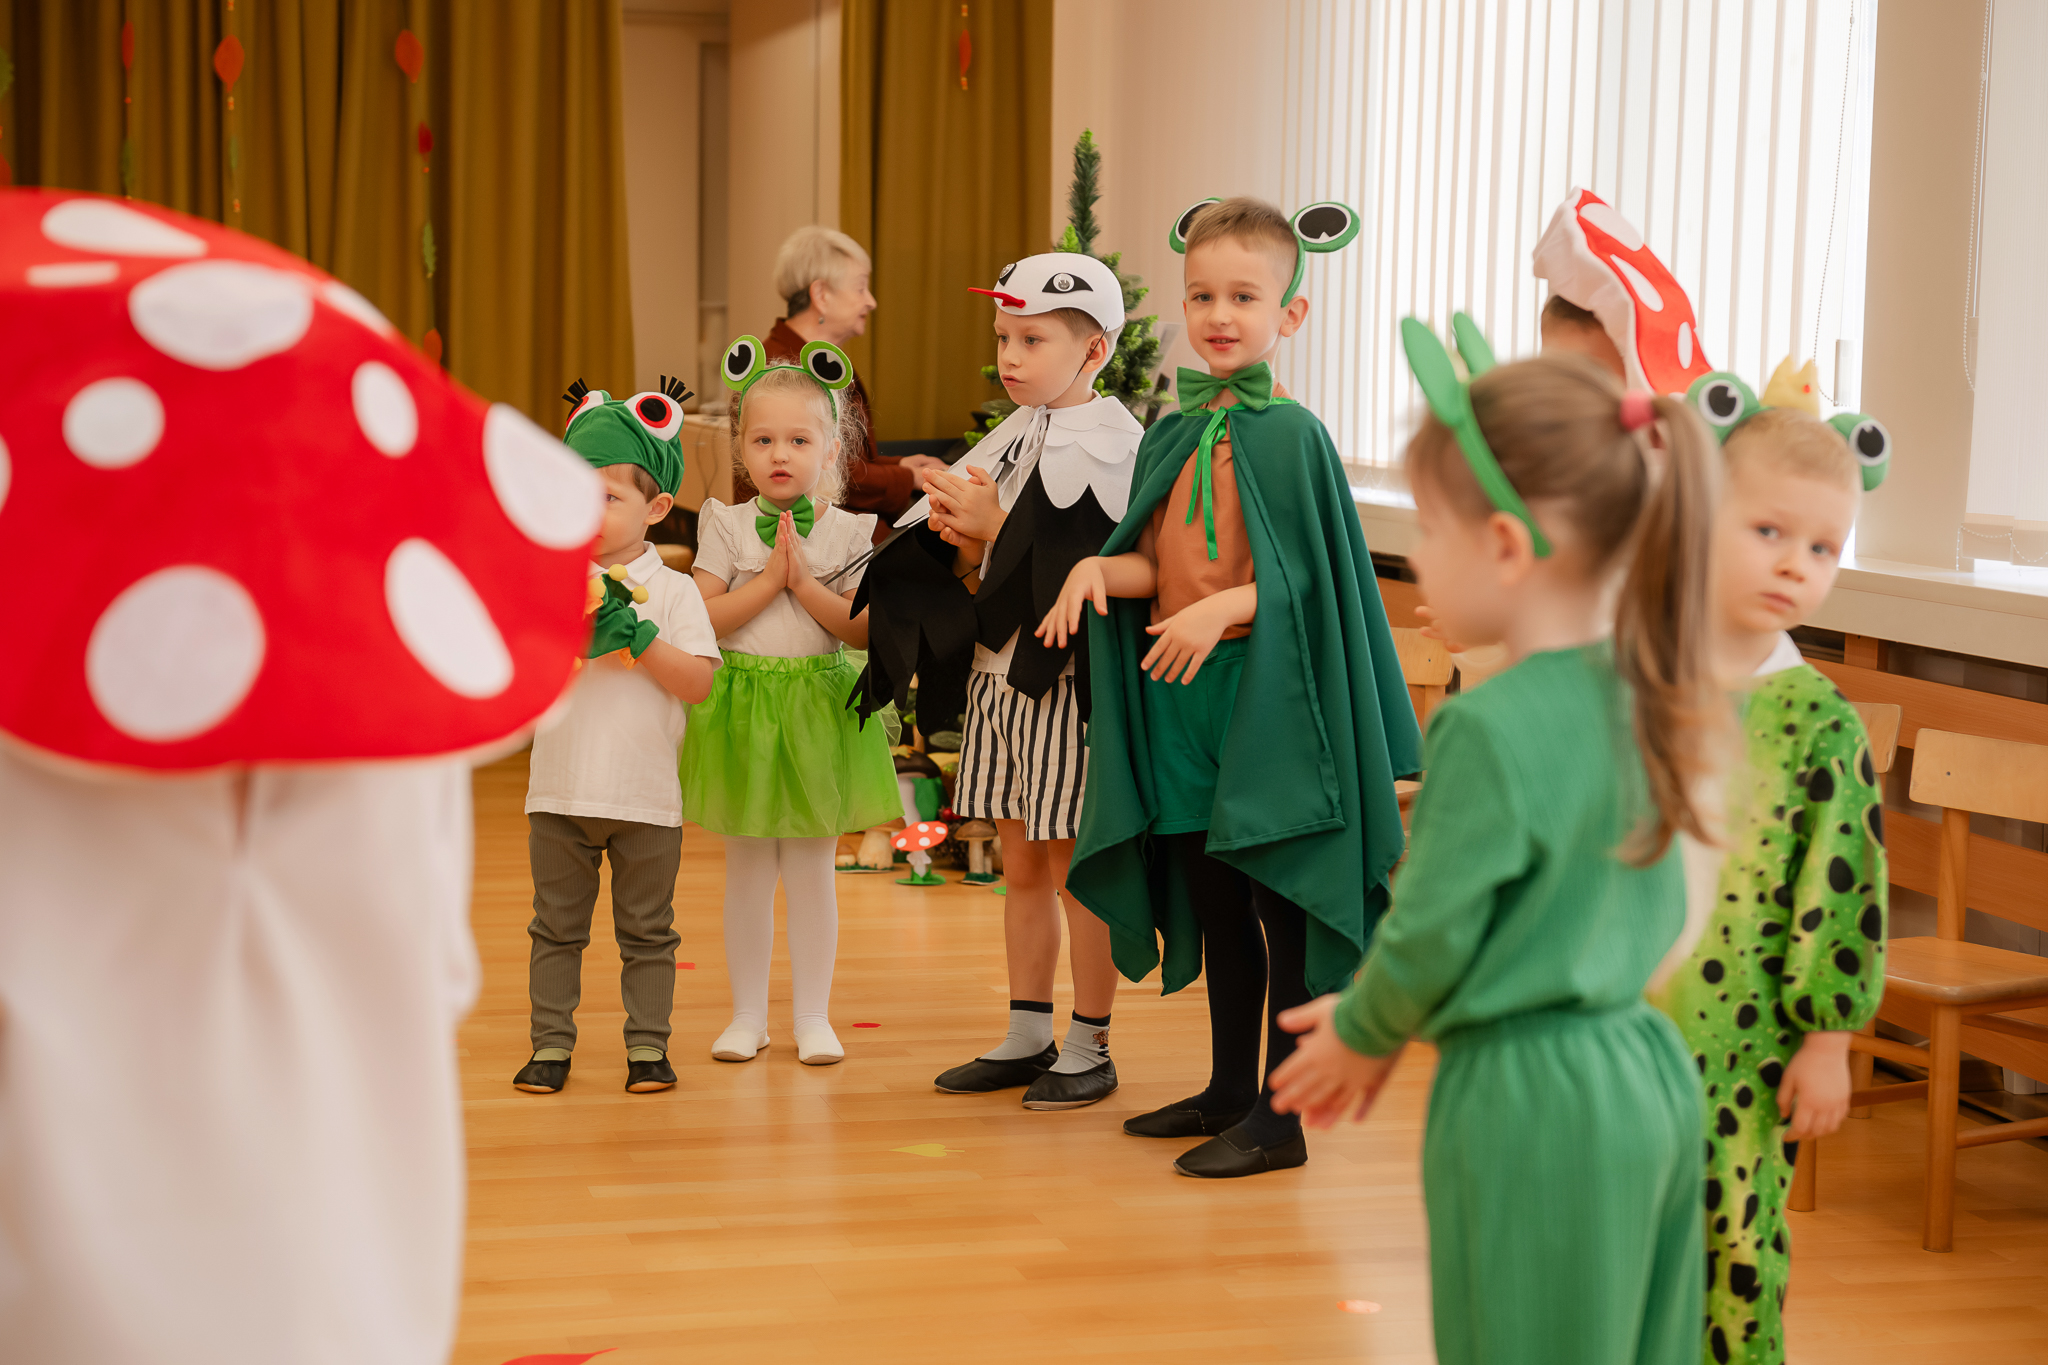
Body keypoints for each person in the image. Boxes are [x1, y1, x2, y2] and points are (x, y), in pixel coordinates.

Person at [1270, 319, 1721, 1365]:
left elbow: (1430, 930)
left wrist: (1367, 1028)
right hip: (1649, 1075)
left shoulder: (1485, 726)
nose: (1414, 554)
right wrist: (1393, 1017)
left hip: (1532, 1102)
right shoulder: (1652, 689)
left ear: (1507, 547)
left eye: (1431, 527)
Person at [1043, 196, 1419, 1177]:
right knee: (1216, 905)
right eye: (1201, 295)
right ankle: (1226, 1090)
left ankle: (1280, 1120)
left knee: (1278, 903)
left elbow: (1316, 586)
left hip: (1268, 703)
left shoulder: (1295, 437)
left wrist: (1223, 610)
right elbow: (1156, 566)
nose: (1219, 314)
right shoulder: (1173, 432)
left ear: (1289, 313)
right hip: (1180, 701)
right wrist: (1098, 569)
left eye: (1243, 297)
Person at [854, 251, 1143, 1109]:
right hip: (997, 679)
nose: (1010, 357)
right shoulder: (1014, 433)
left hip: (1064, 690)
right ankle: (1028, 1030)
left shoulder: (1120, 446)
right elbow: (982, 570)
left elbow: (1097, 568)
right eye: (1003, 338)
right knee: (1019, 864)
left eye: (1032, 339)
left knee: (1075, 870)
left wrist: (995, 525)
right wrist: (955, 540)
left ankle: (1090, 1042)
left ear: (1095, 350)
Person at [1653, 361, 1894, 1365]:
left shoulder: (1816, 722)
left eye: (1822, 547)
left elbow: (1842, 891)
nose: (1796, 564)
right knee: (1612, 1243)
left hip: (1738, 1051)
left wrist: (1828, 1039)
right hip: (1611, 1027)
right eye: (1767, 531)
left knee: (1731, 1252)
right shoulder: (1636, 678)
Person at [681, 335, 899, 1066]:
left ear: (831, 446)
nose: (781, 454)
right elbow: (702, 617)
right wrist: (767, 583)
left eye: (799, 440)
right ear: (742, 449)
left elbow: (862, 630)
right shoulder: (724, 522)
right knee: (747, 869)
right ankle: (747, 1015)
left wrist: (802, 584)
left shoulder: (848, 530)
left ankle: (813, 1016)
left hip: (816, 710)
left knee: (810, 870)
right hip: (742, 708)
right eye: (764, 439)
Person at [514, 379, 723, 1097]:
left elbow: (697, 683)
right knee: (554, 928)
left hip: (646, 799)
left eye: (607, 496)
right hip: (559, 792)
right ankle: (550, 1044)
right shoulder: (547, 581)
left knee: (648, 931)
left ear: (656, 508)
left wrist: (638, 635)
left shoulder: (675, 590)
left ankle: (647, 1046)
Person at [762, 226, 947, 539]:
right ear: (821, 295)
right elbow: (826, 470)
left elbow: (842, 456)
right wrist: (907, 477)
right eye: (860, 288)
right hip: (810, 540)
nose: (871, 302)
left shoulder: (811, 358)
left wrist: (901, 464)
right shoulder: (785, 369)